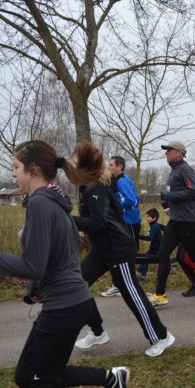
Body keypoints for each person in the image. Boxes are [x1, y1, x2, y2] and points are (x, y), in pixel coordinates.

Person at [0, 140, 130, 388]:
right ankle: (111, 378)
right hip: (66, 303)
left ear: (34, 169)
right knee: (26, 376)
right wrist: (35, 288)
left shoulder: (41, 202)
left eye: (16, 167)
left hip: (65, 307)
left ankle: (111, 378)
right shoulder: (53, 200)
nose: (13, 173)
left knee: (42, 386)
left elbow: (33, 265)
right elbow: (57, 254)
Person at [67, 142, 174, 357]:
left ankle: (161, 337)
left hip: (117, 250)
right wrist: (84, 227)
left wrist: (69, 220)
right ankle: (97, 331)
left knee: (132, 294)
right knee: (76, 284)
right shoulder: (89, 187)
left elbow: (99, 222)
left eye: (75, 162)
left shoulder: (96, 188)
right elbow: (101, 219)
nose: (71, 166)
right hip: (102, 249)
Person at [147, 141, 195, 306]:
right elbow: (179, 193)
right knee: (163, 254)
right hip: (176, 219)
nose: (166, 153)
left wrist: (169, 196)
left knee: (194, 255)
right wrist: (169, 204)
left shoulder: (184, 168)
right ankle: (160, 294)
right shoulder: (175, 170)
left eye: (169, 150)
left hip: (186, 221)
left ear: (179, 153)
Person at [101, 156, 142, 297]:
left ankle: (132, 282)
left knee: (129, 253)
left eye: (112, 165)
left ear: (120, 167)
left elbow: (132, 200)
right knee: (119, 252)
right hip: (123, 221)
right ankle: (118, 284)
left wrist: (115, 206)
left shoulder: (122, 181)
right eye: (109, 164)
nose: (109, 167)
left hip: (130, 221)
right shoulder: (115, 180)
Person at [136, 208, 163, 282]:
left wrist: (137, 236)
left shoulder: (154, 226)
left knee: (144, 259)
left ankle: (142, 276)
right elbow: (164, 227)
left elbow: (149, 238)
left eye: (148, 217)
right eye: (146, 216)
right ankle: (142, 276)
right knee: (144, 259)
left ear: (154, 218)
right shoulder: (155, 225)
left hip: (157, 250)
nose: (146, 218)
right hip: (154, 249)